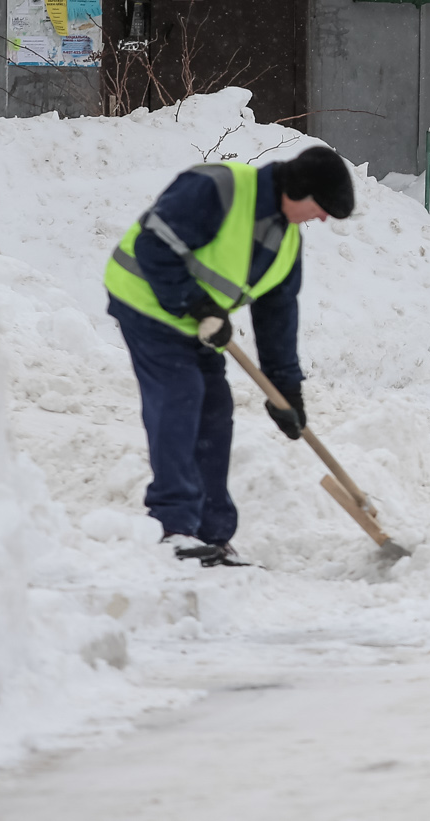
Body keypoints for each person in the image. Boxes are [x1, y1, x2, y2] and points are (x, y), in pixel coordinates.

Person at [103, 144, 356, 565]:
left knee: (216, 409)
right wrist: (198, 305)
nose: (323, 218)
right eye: (322, 207)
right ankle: (173, 528)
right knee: (180, 395)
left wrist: (287, 393)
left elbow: (278, 320)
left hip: (195, 324)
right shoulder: (218, 188)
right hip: (145, 303)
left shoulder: (285, 244)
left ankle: (212, 536)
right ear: (299, 190)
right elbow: (153, 247)